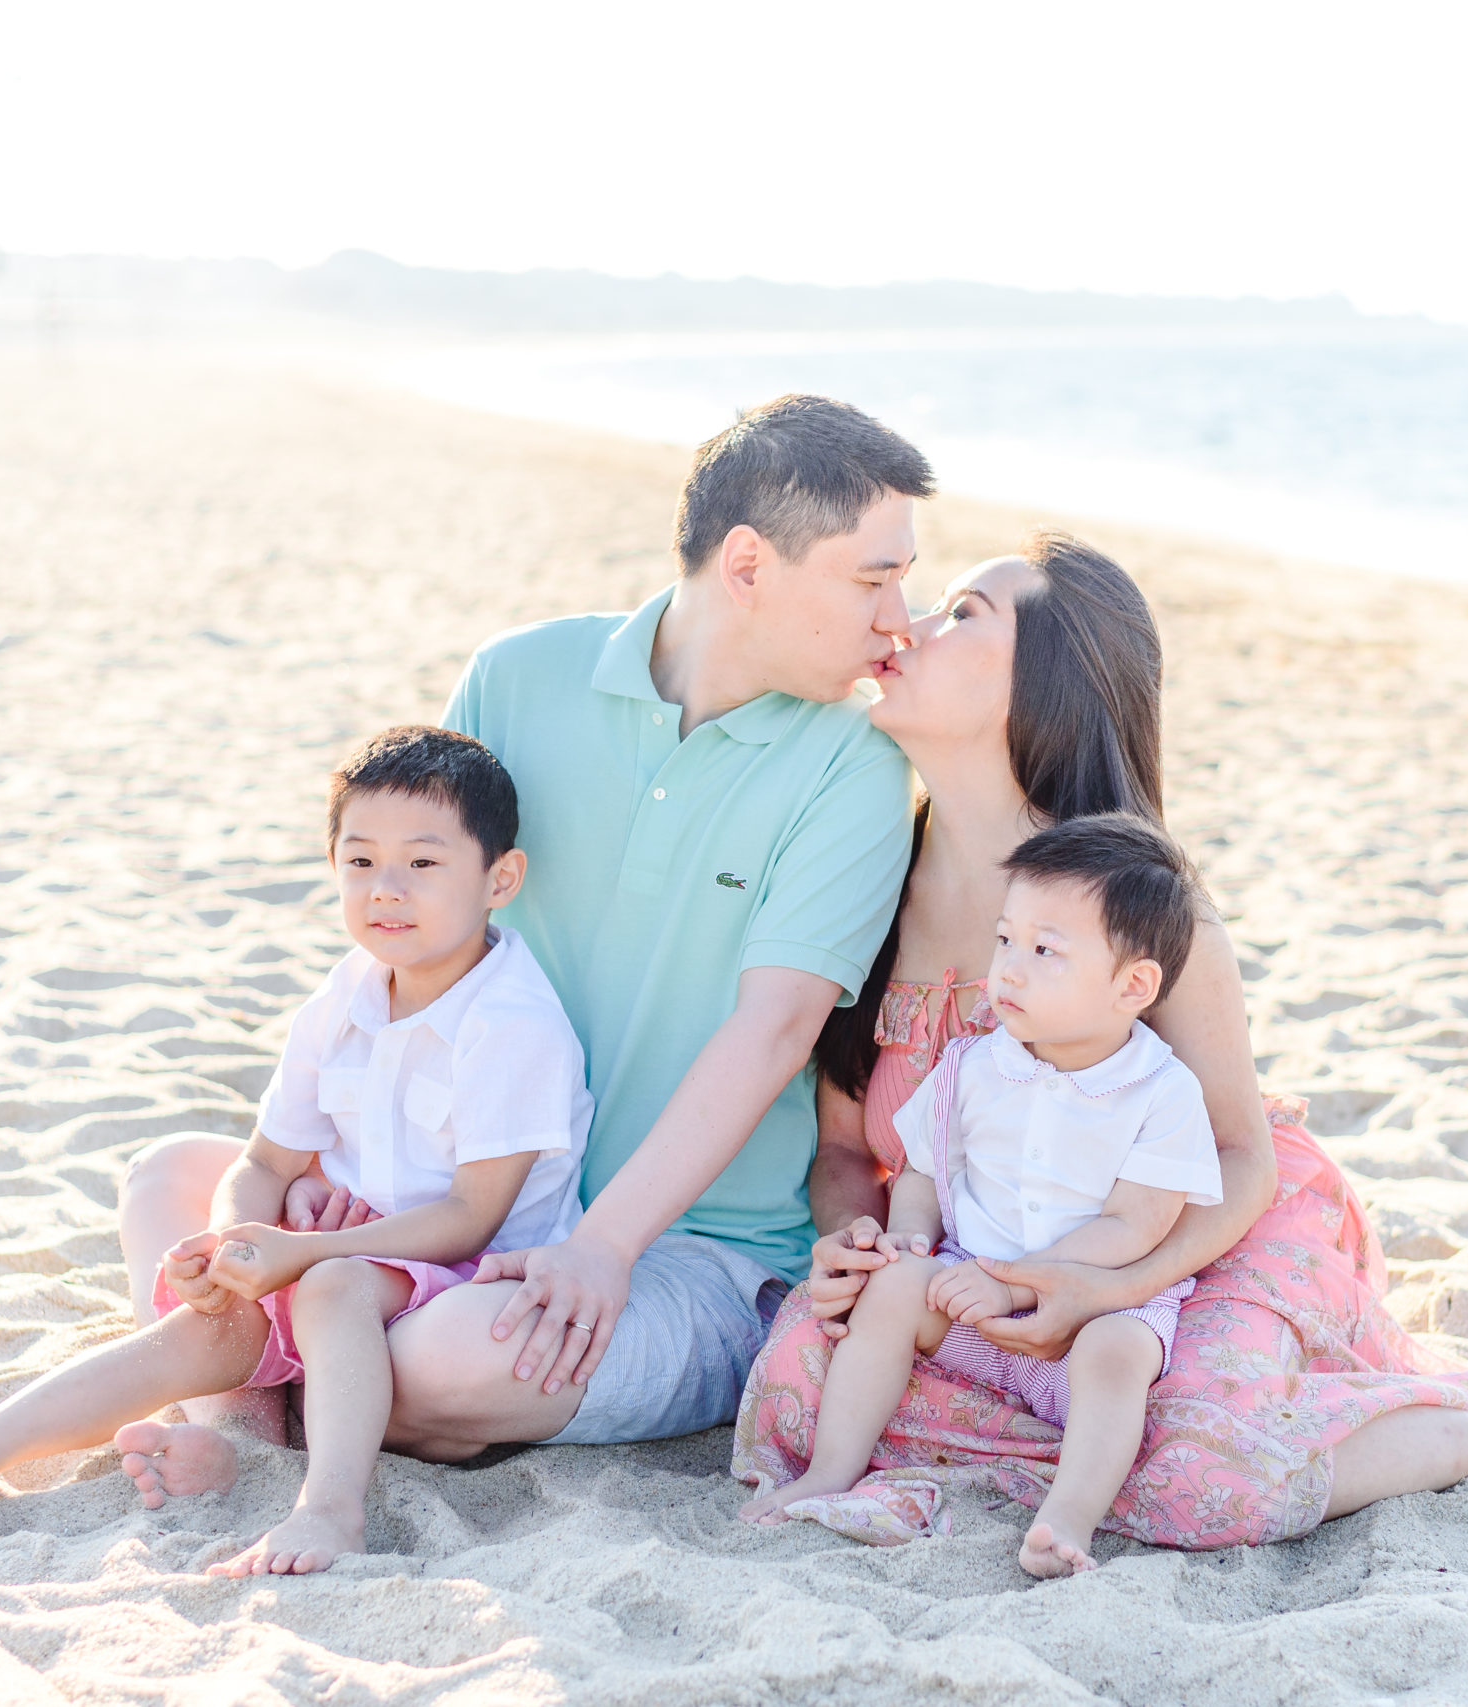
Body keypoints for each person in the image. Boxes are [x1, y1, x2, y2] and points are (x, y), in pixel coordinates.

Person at [734, 531, 1468, 1550]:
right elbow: (851, 1151)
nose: (907, 626)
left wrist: (1104, 1287)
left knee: (1202, 1478)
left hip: (1182, 1243)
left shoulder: (1137, 916)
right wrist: (853, 1248)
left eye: (963, 615)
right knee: (791, 1393)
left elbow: (1236, 1154)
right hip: (973, 1257)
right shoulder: (863, 886)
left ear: (1046, 688)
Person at [115, 394, 928, 1462]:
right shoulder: (517, 675)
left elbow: (774, 1031)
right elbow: (414, 923)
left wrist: (601, 1246)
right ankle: (243, 1431)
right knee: (173, 1182)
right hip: (452, 1194)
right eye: (874, 577)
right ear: (746, 567)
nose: (900, 618)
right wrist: (329, 1161)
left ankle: (261, 1400)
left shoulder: (852, 766)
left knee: (448, 1364)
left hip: (686, 1251)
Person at [0, 726, 591, 1570]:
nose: (386, 890)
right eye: (359, 862)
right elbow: (267, 1161)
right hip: (337, 1244)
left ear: (501, 876)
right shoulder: (346, 991)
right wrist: (233, 1246)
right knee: (204, 1320)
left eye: (422, 864)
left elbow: (470, 1215)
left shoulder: (510, 1021)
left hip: (458, 1269)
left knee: (332, 1287)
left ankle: (330, 1510)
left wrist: (304, 1250)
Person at [741, 815, 1224, 1576]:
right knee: (895, 1289)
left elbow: (1137, 1222)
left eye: (1044, 951)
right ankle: (831, 1470)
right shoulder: (971, 1064)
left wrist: (1015, 1280)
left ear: (1132, 985)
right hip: (968, 1285)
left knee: (1120, 1354)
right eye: (1005, 940)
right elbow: (924, 1168)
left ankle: (1066, 1518)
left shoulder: (1161, 1091)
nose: (1009, 969)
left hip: (1092, 1302)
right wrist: (909, 1240)